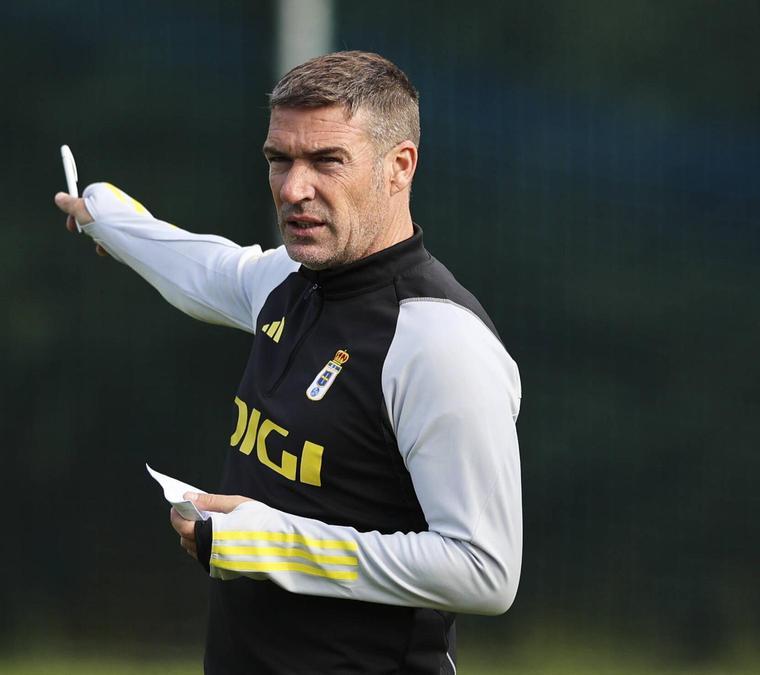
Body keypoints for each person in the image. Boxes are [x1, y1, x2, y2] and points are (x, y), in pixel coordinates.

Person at [53, 51, 522, 675]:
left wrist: (264, 543)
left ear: (398, 167)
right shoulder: (290, 280)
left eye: (327, 161)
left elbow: (484, 572)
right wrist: (104, 220)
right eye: (280, 160)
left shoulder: (439, 342)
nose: (294, 188)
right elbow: (207, 268)